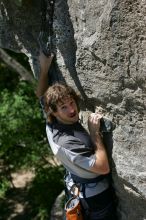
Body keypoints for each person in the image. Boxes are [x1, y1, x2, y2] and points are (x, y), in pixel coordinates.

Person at [36, 52, 118, 220]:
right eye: (64, 107)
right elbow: (103, 167)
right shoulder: (67, 142)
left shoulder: (51, 120)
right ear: (55, 111)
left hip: (77, 186)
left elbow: (41, 95)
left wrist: (44, 69)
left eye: (71, 103)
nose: (72, 110)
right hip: (96, 198)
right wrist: (95, 133)